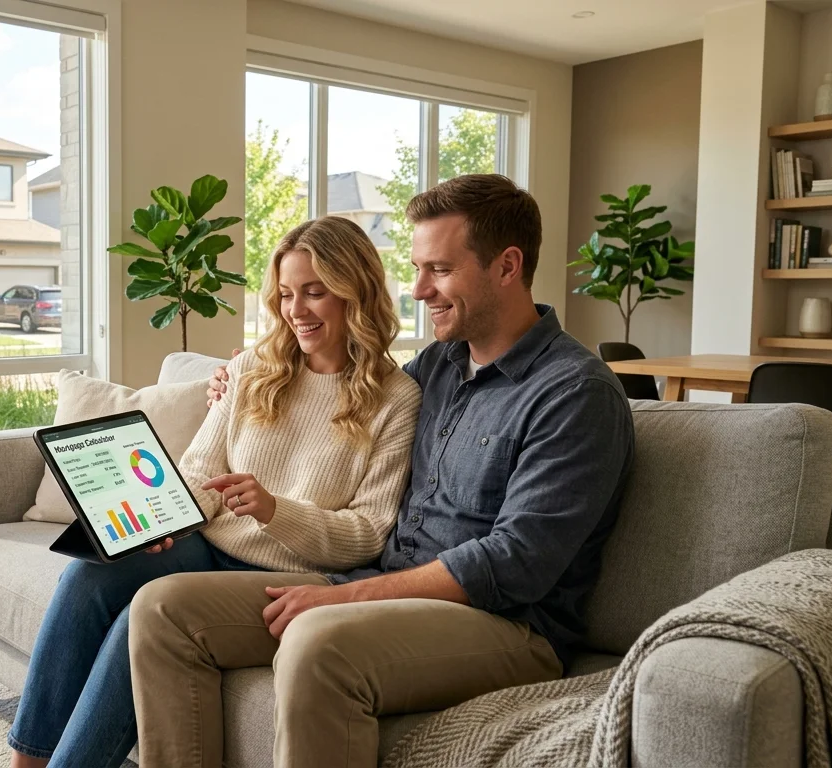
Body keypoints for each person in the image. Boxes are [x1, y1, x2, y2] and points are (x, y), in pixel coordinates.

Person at [128, 174, 636, 768]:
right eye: (418, 269)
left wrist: (351, 597)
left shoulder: (574, 393)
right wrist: (240, 371)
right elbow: (345, 381)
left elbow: (515, 563)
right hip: (380, 587)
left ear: (508, 265)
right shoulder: (440, 366)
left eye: (439, 270)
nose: (419, 290)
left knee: (316, 644)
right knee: (163, 610)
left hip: (505, 624)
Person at [7, 216, 423, 768]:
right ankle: (26, 761)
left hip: (292, 575)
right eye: (286, 294)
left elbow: (368, 536)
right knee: (91, 570)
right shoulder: (254, 367)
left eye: (315, 292)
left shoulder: (396, 398)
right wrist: (165, 519)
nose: (296, 310)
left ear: (357, 292)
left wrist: (276, 511)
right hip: (207, 544)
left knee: (141, 618)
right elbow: (199, 467)